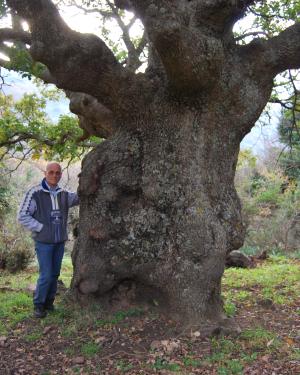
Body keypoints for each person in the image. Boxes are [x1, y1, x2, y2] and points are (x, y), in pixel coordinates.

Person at [18, 162, 79, 318]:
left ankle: (49, 304)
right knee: (46, 275)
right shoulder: (35, 193)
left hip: (59, 243)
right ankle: (38, 306)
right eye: (51, 172)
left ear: (60, 174)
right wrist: (41, 228)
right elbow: (22, 215)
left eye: (57, 173)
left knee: (54, 275)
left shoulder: (64, 194)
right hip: (44, 243)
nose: (54, 175)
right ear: (45, 173)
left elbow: (80, 197)